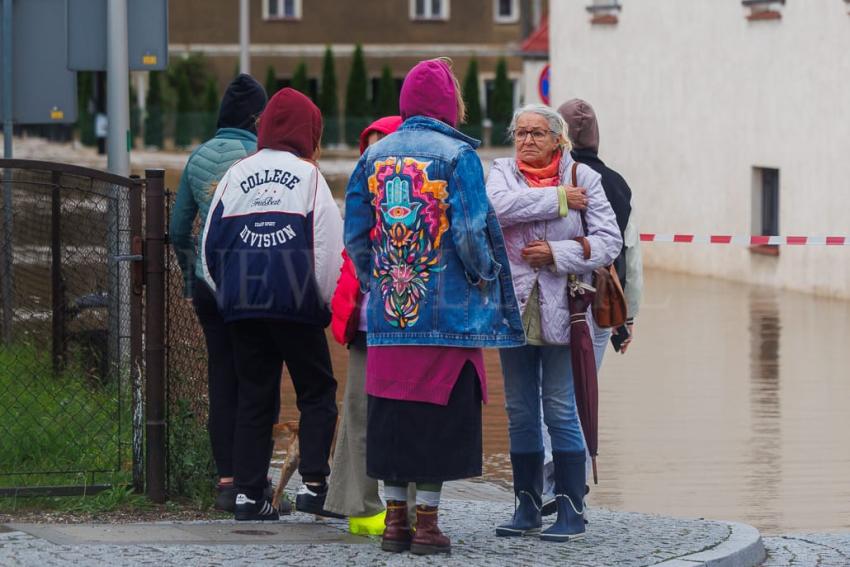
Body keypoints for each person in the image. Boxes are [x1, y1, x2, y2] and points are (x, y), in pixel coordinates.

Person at [344, 58, 524, 556]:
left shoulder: (373, 157)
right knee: (439, 418)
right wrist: (483, 274)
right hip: (448, 316)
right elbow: (468, 231)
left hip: (389, 315)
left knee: (393, 416)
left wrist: (377, 280)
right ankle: (427, 526)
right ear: (449, 105)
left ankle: (394, 523)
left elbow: (355, 234)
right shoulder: (458, 156)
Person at [201, 87, 343, 521]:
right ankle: (315, 486)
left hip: (242, 303)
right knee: (317, 392)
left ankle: (248, 495)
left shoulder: (235, 174)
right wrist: (320, 303)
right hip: (296, 301)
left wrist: (229, 295)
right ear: (309, 130)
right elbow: (328, 247)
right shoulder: (308, 176)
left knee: (254, 396)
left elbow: (208, 247)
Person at [486, 104, 621, 542]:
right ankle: (526, 505)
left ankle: (570, 508)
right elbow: (495, 209)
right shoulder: (502, 172)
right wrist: (558, 199)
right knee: (520, 410)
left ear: (558, 140)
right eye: (521, 132)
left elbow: (610, 241)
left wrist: (558, 255)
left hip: (566, 309)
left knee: (561, 408)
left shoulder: (586, 178)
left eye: (537, 133)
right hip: (512, 309)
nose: (526, 140)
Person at [168, 73, 267, 512]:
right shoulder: (260, 157)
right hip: (252, 287)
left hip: (209, 288)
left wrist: (192, 280)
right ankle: (253, 484)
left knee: (221, 380)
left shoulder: (197, 157)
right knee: (257, 384)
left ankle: (225, 481)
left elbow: (176, 231)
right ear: (256, 117)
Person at [325, 115, 411, 535]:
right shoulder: (362, 197)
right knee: (358, 411)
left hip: (403, 322)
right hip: (365, 323)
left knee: (402, 413)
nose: (374, 156)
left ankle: (405, 508)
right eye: (370, 148)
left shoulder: (412, 199)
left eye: (382, 146)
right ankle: (357, 505)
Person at [558, 98, 643, 359]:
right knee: (584, 394)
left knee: (549, 396)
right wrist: (627, 317)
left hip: (552, 301)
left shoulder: (548, 179)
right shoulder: (618, 184)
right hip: (600, 303)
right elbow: (631, 257)